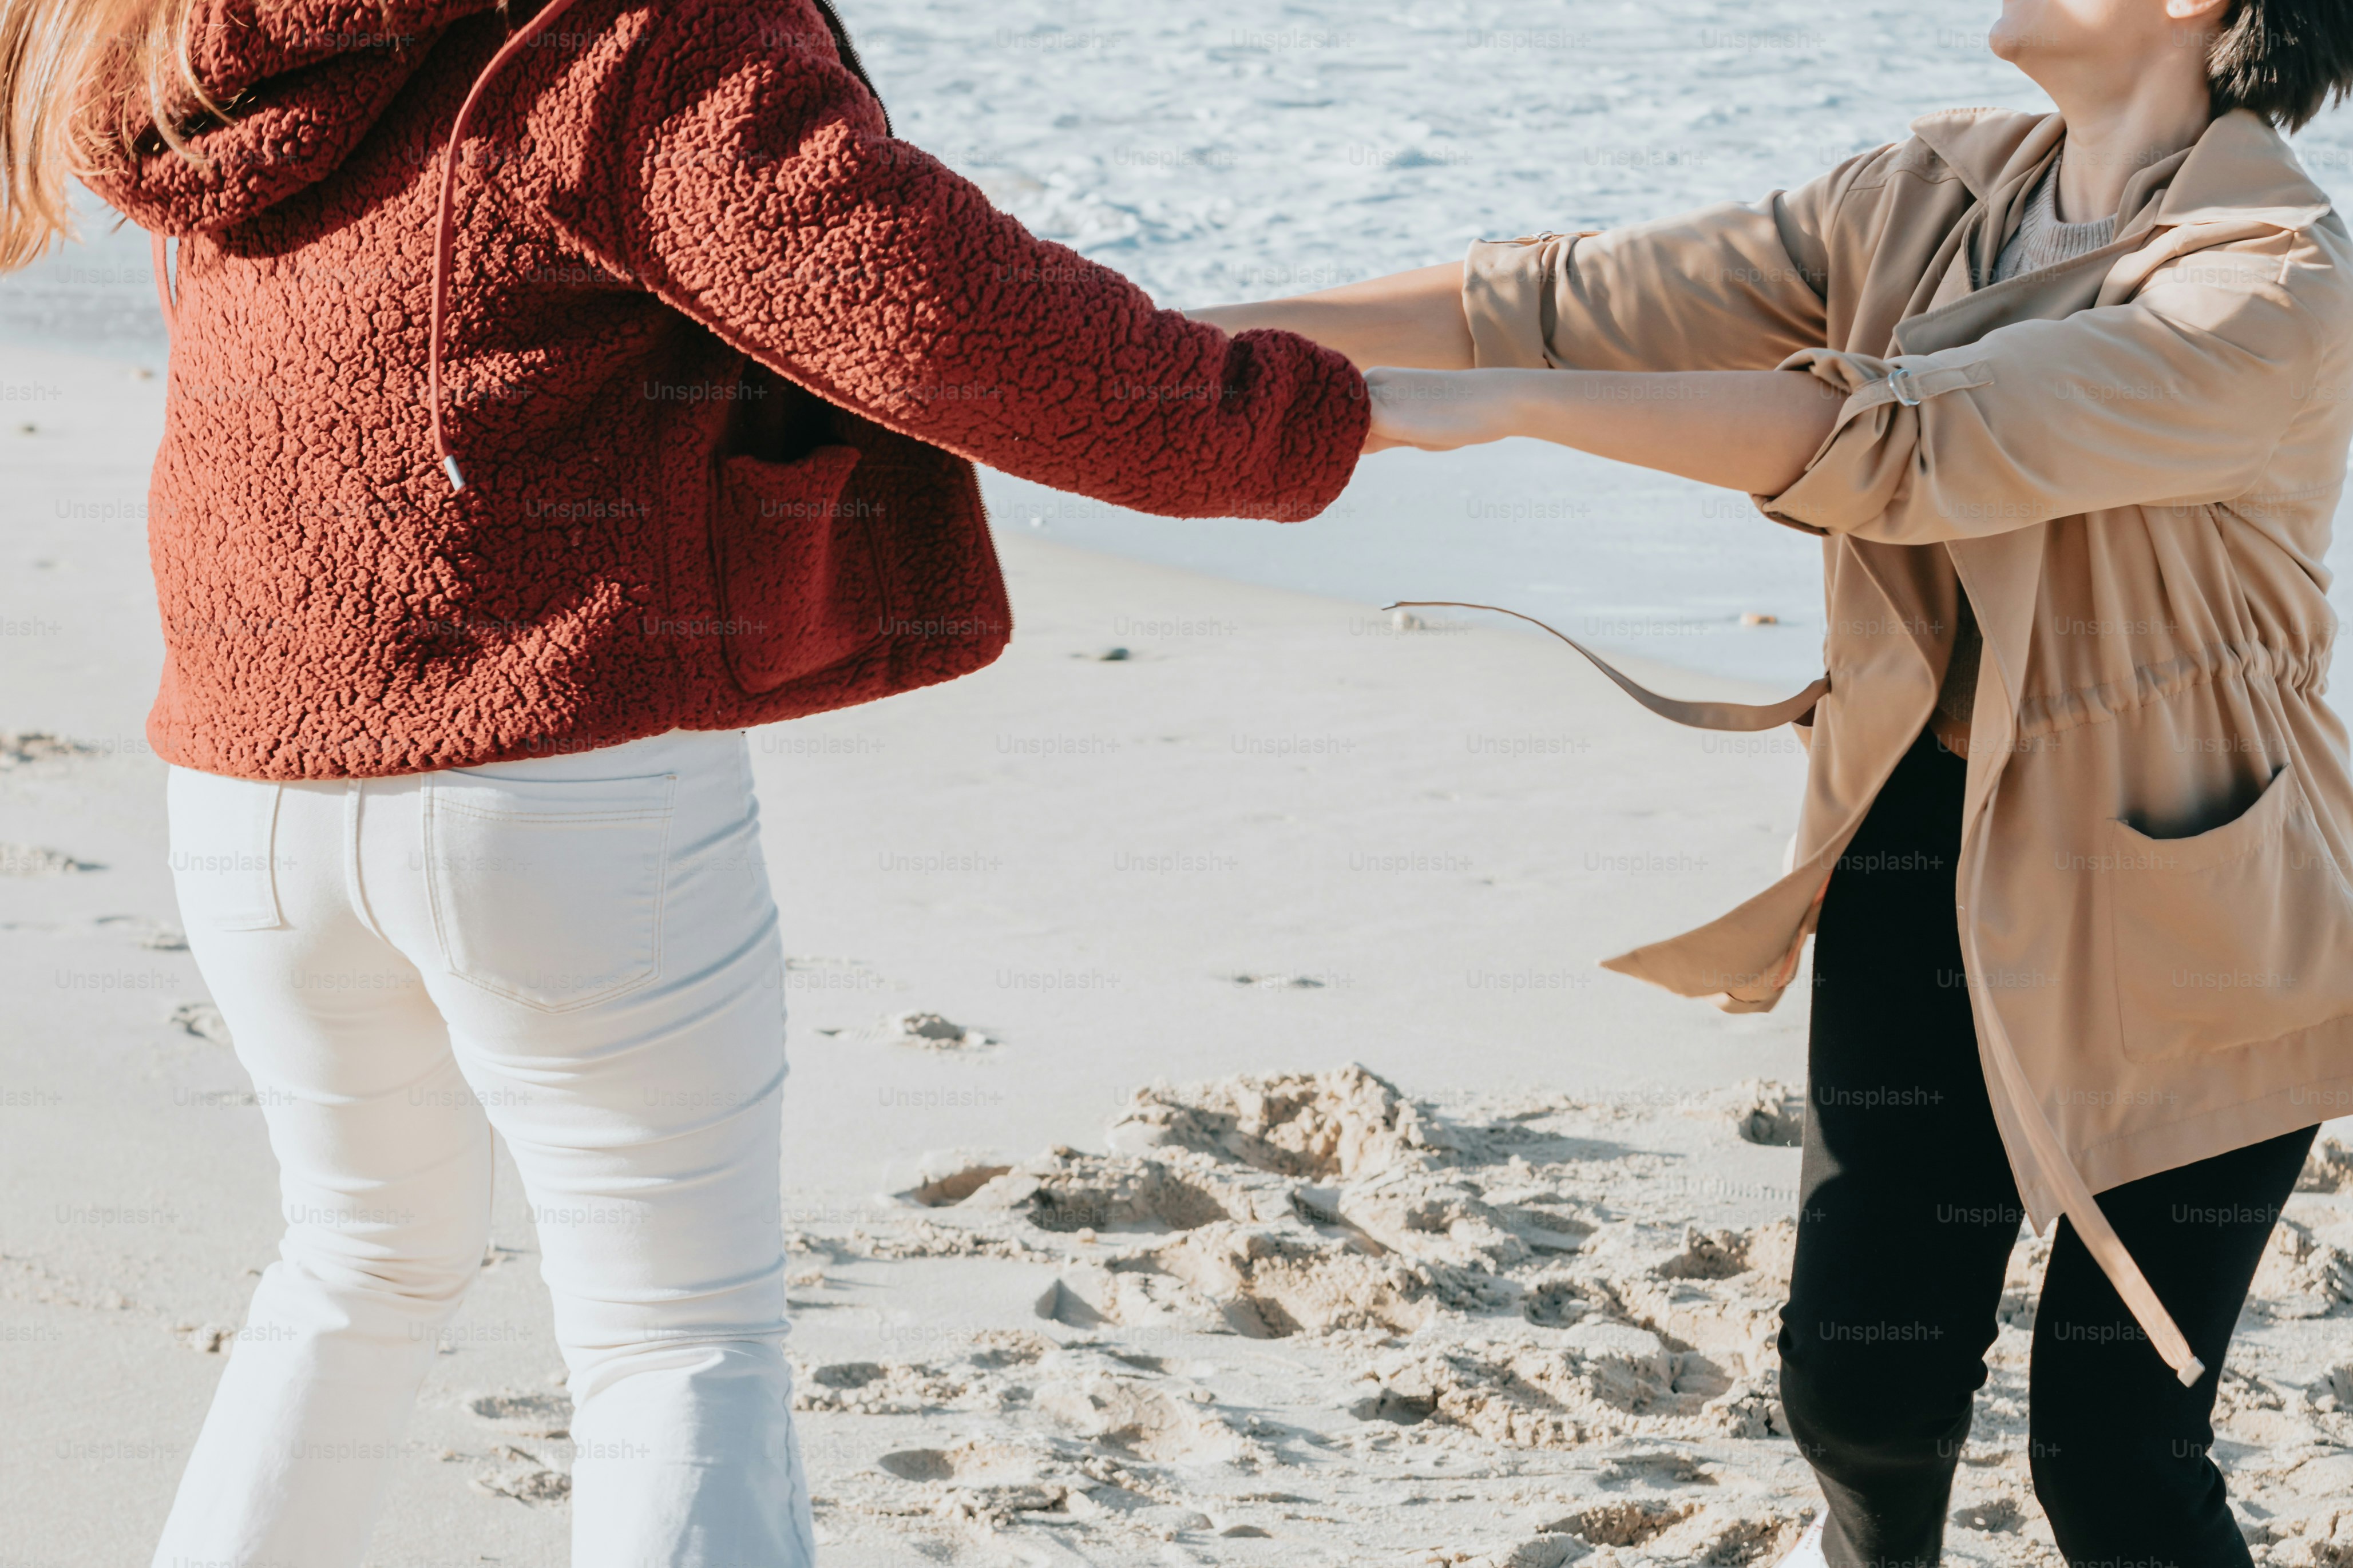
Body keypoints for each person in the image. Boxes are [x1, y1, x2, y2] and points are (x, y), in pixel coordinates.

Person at [0, 0, 1368, 1561]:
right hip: (550, 768)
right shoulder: (636, 34)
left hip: (250, 783)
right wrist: (1310, 419)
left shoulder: (187, 33)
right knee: (675, 1339)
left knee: (354, 1269)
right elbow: (929, 314)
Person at [1193, 0, 2353, 1563]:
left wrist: (1508, 413)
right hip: (1916, 843)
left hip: (2194, 905)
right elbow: (1557, 297)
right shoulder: (1925, 198)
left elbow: (1915, 445)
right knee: (1860, 1392)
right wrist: (1160, 342)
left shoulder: (2271, 287)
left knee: (2116, 1453)